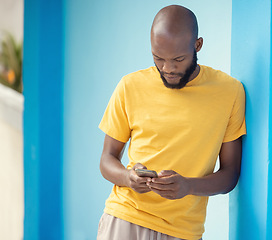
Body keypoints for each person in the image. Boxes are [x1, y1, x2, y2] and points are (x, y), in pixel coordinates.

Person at [97, 4, 246, 240]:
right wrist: (128, 178)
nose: (167, 69)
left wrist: (188, 186)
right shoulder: (129, 86)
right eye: (158, 58)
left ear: (198, 45)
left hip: (183, 231)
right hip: (125, 218)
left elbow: (230, 174)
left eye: (178, 59)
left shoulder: (230, 92)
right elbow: (107, 159)